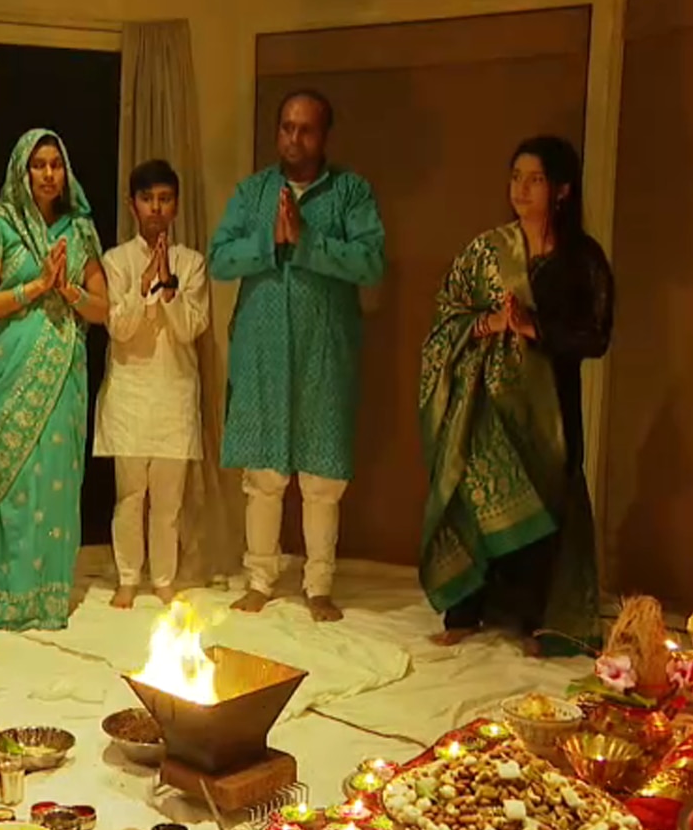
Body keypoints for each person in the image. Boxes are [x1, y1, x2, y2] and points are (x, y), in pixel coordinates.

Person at [419, 135, 612, 654]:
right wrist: (490, 323)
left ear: (563, 190)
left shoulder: (582, 260)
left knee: (544, 503)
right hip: (486, 407)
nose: (521, 189)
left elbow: (597, 335)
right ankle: (465, 610)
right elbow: (447, 317)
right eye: (515, 177)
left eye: (535, 179)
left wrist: (534, 329)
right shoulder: (486, 251)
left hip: (549, 406)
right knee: (473, 495)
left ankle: (534, 622)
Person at [210, 90, 385, 623]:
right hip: (262, 348)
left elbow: (371, 264)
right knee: (263, 472)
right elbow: (219, 259)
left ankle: (318, 585)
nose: (293, 138)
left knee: (321, 473)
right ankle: (259, 579)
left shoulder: (351, 193)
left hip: (323, 352)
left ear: (324, 135)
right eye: (286, 127)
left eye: (305, 129)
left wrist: (307, 241)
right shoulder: (253, 192)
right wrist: (270, 240)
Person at [0, 129, 110, 631]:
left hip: (62, 372)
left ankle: (48, 599)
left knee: (56, 482)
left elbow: (103, 307)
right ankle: (4, 599)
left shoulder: (80, 229)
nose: (49, 174)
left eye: (56, 164)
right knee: (16, 487)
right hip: (8, 374)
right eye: (38, 165)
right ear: (21, 172)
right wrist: (35, 288)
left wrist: (68, 291)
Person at [94, 159, 209, 608]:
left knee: (168, 501)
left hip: (175, 389)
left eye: (164, 199)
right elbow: (118, 329)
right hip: (129, 391)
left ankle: (163, 578)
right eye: (147, 199)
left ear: (175, 205)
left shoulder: (192, 263)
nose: (155, 208)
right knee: (129, 495)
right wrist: (143, 288)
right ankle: (127, 577)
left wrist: (168, 290)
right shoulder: (115, 260)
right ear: (132, 205)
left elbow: (190, 329)